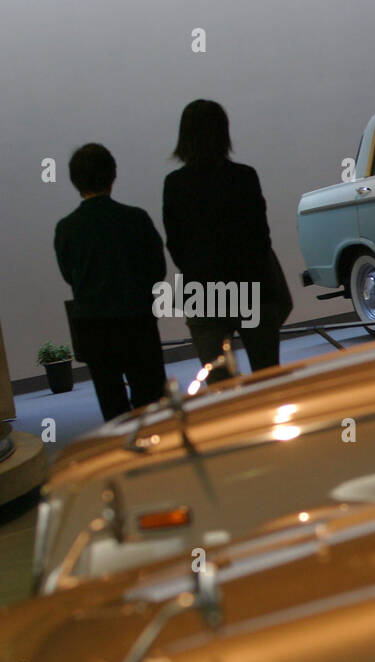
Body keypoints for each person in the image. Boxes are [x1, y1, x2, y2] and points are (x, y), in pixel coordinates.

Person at [163, 99, 287, 378]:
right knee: (267, 377)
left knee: (220, 387)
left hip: (204, 292)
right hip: (252, 286)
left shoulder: (175, 185)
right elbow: (260, 237)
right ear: (223, 133)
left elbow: (175, 244)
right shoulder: (244, 177)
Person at [53, 143, 167, 421]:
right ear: (112, 175)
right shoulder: (135, 218)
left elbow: (69, 276)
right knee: (151, 399)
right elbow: (157, 270)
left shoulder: (66, 228)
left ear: (75, 182)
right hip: (137, 320)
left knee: (113, 407)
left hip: (93, 327)